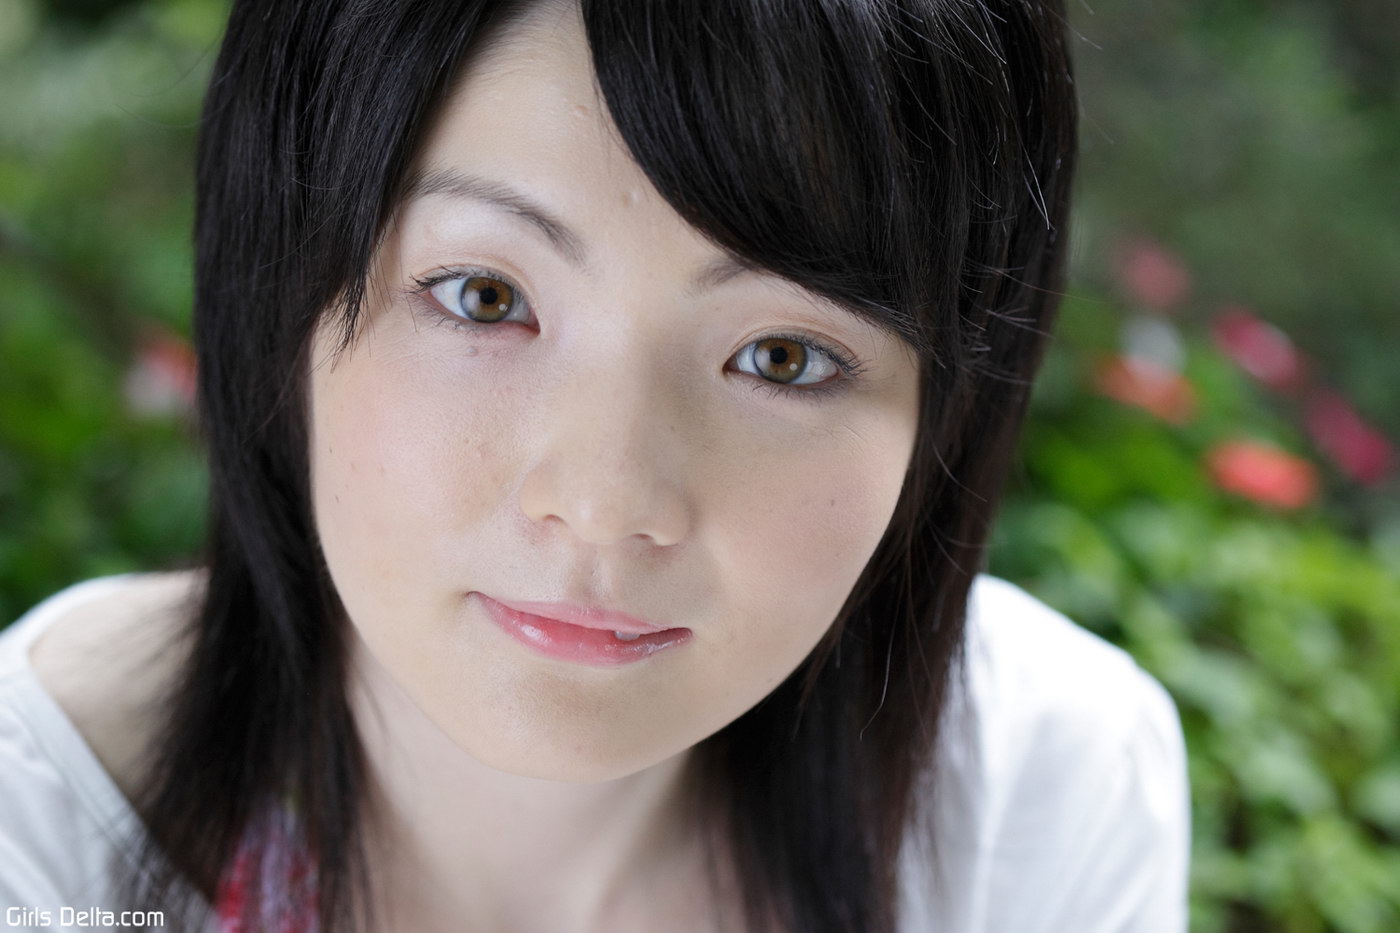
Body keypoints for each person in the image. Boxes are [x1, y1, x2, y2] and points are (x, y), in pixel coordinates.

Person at [0, 0, 1190, 930]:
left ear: (947, 412)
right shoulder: (44, 838)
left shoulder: (1035, 796)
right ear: (280, 290)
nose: (605, 505)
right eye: (484, 296)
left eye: (781, 357)